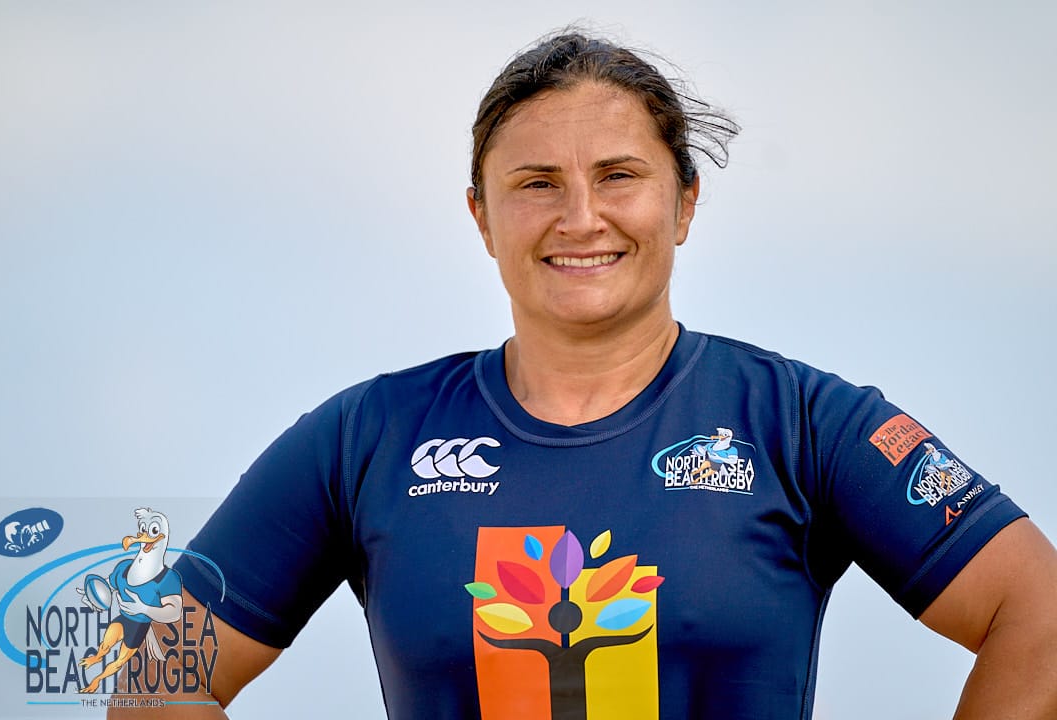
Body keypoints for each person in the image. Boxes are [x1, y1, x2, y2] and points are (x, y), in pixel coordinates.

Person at [115, 31, 1057, 719]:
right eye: (535, 184)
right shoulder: (364, 439)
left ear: (684, 203)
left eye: (617, 176)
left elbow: (1039, 612)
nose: (579, 218)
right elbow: (157, 677)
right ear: (481, 217)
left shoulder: (803, 424)